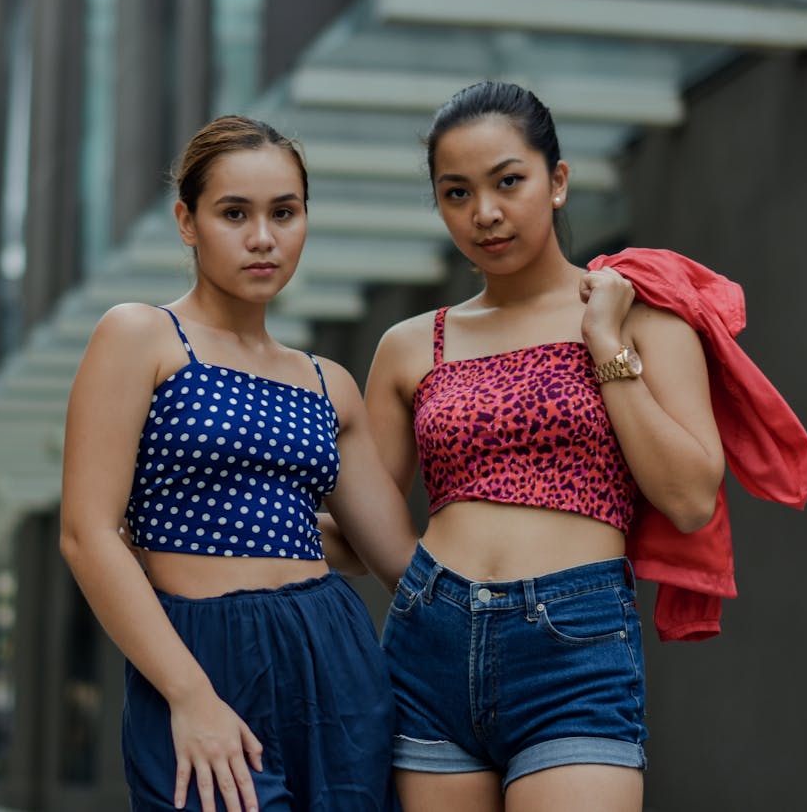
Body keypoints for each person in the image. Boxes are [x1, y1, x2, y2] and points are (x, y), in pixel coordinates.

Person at [364, 81, 725, 811]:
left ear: (556, 181)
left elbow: (690, 498)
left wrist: (604, 344)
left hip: (574, 648)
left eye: (508, 181)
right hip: (428, 643)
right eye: (457, 193)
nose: (485, 213)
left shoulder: (642, 318)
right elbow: (360, 519)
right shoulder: (409, 345)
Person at [60, 115, 417, 812]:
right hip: (199, 656)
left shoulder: (328, 382)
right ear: (186, 222)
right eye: (234, 213)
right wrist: (190, 695)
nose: (262, 237)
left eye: (284, 212)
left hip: (335, 658)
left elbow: (392, 557)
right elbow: (86, 533)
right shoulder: (141, 336)